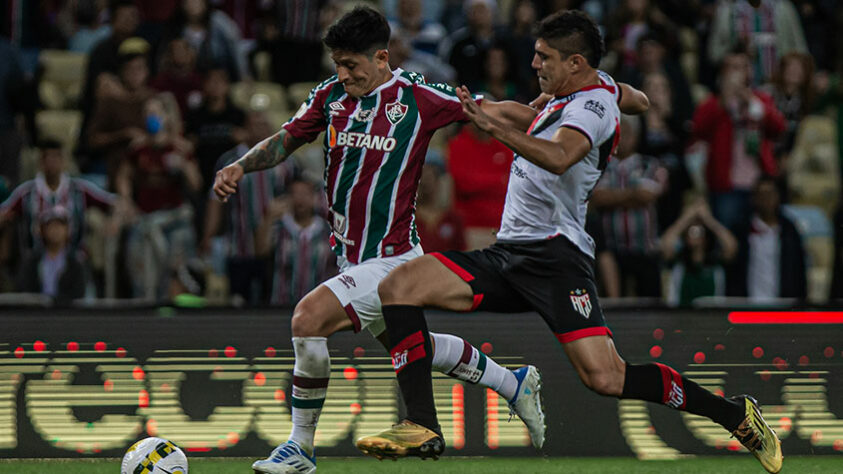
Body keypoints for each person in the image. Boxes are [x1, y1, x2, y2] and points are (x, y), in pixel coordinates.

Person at [355, 11, 783, 474]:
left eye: (544, 58)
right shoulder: (583, 92)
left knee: (606, 378)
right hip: (509, 253)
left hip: (556, 260)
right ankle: (422, 424)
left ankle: (733, 414)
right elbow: (629, 98)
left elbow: (559, 156)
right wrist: (475, 107)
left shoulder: (588, 110)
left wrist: (493, 126)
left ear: (575, 63)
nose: (535, 64)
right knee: (399, 288)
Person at [213, 7, 547, 473]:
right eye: (338, 65)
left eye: (352, 65)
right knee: (415, 347)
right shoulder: (329, 96)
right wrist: (240, 165)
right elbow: (287, 139)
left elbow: (486, 108)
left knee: (307, 320)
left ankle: (299, 449)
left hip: (393, 260)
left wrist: (547, 114)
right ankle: (513, 382)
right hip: (352, 260)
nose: (343, 74)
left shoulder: (418, 96)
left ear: (382, 58)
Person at [17, 206, 87, 303]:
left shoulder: (75, 264)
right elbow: (24, 291)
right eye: (50, 225)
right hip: (35, 314)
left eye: (60, 225)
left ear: (67, 230)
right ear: (42, 230)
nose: (55, 230)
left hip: (66, 315)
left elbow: (78, 294)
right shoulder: (31, 262)